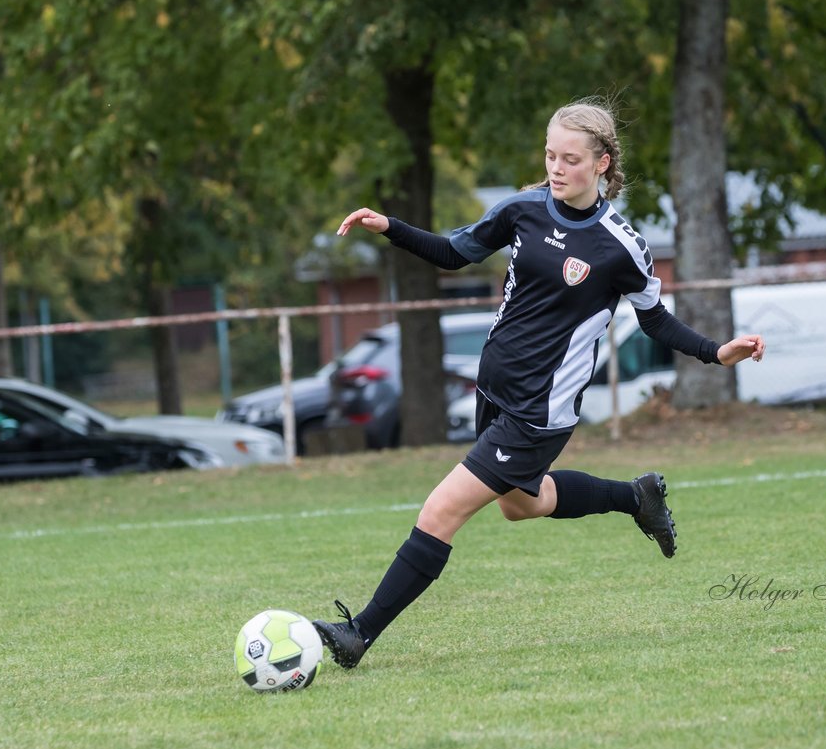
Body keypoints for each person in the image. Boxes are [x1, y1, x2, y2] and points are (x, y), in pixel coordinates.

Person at [313, 100, 765, 669]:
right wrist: (391, 228)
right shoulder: (524, 209)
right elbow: (456, 253)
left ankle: (360, 634)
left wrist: (715, 352)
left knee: (441, 511)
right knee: (521, 506)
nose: (556, 167)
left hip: (538, 410)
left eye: (570, 159)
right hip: (494, 388)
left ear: (602, 164)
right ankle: (636, 497)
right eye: (550, 154)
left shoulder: (621, 244)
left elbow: (655, 320)